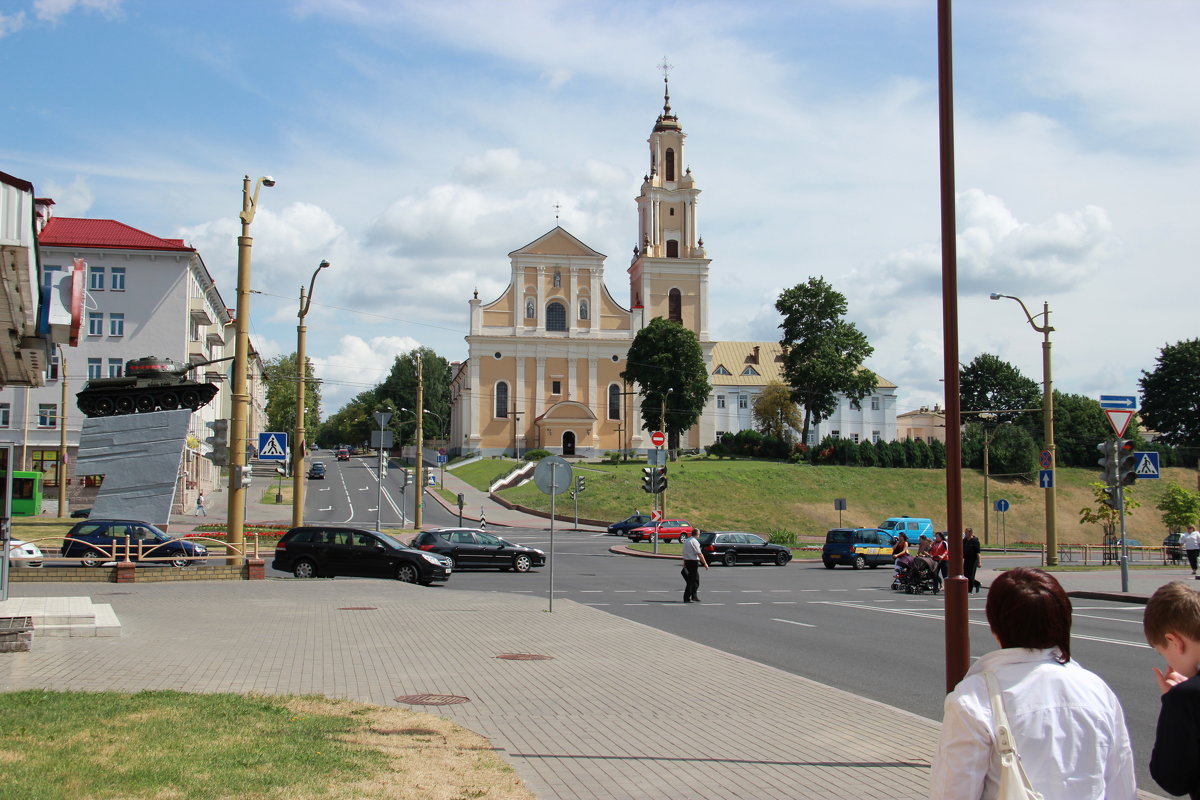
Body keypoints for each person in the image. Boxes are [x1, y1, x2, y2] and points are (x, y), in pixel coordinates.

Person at [930, 567, 1136, 800]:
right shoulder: (1096, 690)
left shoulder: (974, 699)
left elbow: (953, 792)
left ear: (995, 626)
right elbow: (1121, 785)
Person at [1143, 581, 1200, 799]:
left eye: (1161, 653)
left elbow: (1173, 780)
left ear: (1173, 640)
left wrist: (1173, 703)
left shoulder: (1185, 699)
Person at [680, 528, 708, 603]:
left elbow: (684, 553)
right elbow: (699, 553)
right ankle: (687, 597)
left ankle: (694, 596)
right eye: (699, 534)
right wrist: (705, 563)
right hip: (693, 562)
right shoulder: (694, 541)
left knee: (695, 580)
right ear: (697, 534)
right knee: (692, 581)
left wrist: (684, 562)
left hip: (688, 561)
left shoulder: (687, 540)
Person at [963, 528, 982, 594]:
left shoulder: (975, 541)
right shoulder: (964, 540)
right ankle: (977, 583)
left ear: (970, 533)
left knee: (970, 575)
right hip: (966, 559)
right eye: (965, 532)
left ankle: (969, 590)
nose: (965, 534)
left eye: (966, 533)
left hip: (973, 560)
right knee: (965, 575)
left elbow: (978, 553)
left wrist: (979, 562)